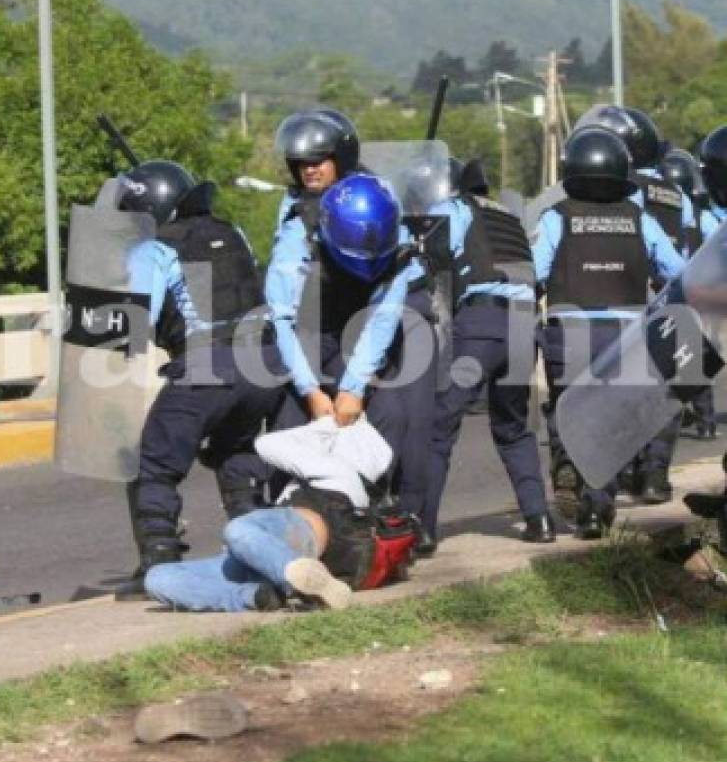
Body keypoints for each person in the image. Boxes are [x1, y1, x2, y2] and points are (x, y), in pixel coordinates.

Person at [117, 161, 287, 598]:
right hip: (264, 365)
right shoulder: (233, 233)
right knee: (236, 451)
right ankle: (259, 554)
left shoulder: (154, 249)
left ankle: (158, 560)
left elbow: (136, 323)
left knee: (152, 462)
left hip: (206, 368)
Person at [266, 124, 438, 552]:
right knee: (292, 424)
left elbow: (383, 318)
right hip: (311, 325)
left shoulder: (385, 224)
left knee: (397, 417)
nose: (309, 170)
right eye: (301, 163)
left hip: (363, 326)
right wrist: (311, 391)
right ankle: (281, 527)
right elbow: (283, 315)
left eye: (318, 160)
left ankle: (393, 519)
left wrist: (353, 389)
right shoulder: (295, 227)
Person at [533, 128, 685, 538]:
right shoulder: (642, 220)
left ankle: (567, 464)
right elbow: (676, 273)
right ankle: (597, 509)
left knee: (568, 410)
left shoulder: (556, 218)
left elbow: (535, 273)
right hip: (628, 335)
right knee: (613, 424)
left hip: (570, 330)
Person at [423, 159, 553, 543]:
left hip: (481, 329)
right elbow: (536, 275)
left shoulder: (453, 209)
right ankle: (539, 519)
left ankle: (423, 529)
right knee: (513, 429)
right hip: (523, 330)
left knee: (440, 425)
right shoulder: (508, 218)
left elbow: (429, 253)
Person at [145, 416, 394, 612]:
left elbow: (267, 444)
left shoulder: (340, 470)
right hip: (268, 556)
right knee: (158, 578)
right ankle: (259, 597)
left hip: (297, 536)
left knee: (238, 529)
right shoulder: (348, 481)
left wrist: (327, 423)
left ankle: (298, 580)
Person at [577, 106, 694, 501]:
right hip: (673, 295)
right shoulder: (676, 193)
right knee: (665, 388)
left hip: (625, 294)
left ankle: (621, 471)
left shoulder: (617, 189)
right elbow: (687, 247)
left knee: (618, 389)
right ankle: (655, 475)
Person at [662, 146, 717, 440]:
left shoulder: (658, 207)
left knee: (672, 361)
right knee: (695, 358)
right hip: (701, 292)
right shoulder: (701, 215)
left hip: (674, 290)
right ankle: (706, 422)